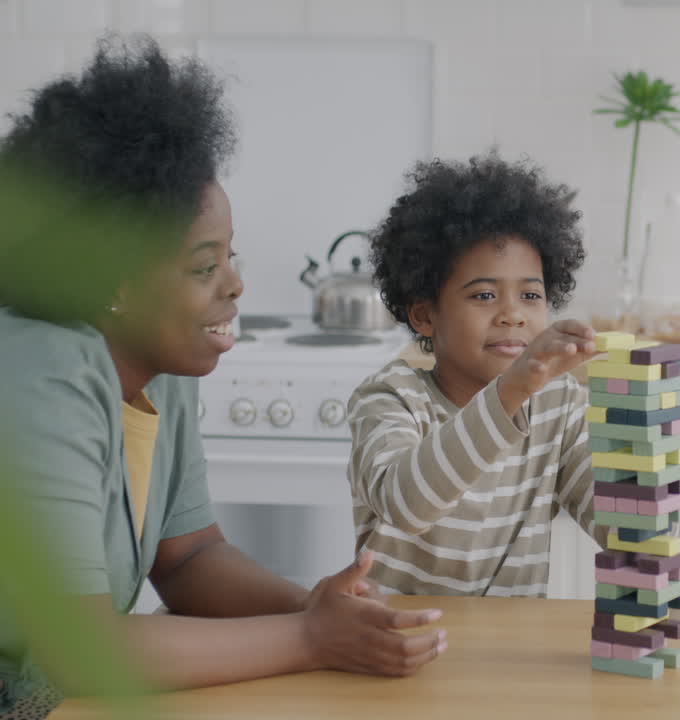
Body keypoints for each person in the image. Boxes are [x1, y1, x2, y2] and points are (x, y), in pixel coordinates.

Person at [0, 37, 445, 719]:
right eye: (205, 267)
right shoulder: (43, 369)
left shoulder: (163, 363)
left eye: (229, 257)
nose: (236, 285)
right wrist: (308, 638)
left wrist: (315, 607)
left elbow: (188, 558)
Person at [347, 152, 605, 596]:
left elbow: (617, 523)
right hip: (394, 639)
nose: (513, 315)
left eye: (530, 294)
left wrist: (647, 465)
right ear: (425, 316)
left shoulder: (557, 404)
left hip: (507, 650)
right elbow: (406, 504)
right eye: (484, 295)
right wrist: (511, 390)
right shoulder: (390, 398)